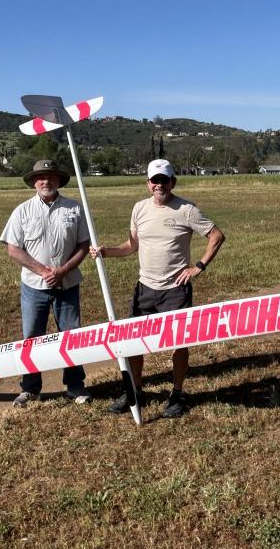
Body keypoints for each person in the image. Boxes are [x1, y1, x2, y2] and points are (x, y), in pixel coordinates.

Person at [90, 158, 225, 418]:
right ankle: (136, 390)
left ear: (172, 181)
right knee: (132, 343)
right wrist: (105, 251)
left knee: (179, 343)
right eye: (155, 180)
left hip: (175, 289)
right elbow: (131, 246)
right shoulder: (139, 209)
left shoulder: (187, 209)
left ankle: (177, 393)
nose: (159, 185)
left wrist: (198, 267)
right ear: (148, 184)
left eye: (164, 180)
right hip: (145, 288)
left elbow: (216, 236)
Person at [0, 158, 92, 406]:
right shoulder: (22, 211)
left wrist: (62, 270)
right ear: (33, 183)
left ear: (59, 180)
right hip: (34, 286)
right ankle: (30, 388)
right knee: (31, 337)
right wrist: (43, 271)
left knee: (72, 336)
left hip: (68, 284)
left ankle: (75, 386)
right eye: (41, 178)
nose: (46, 181)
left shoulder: (74, 209)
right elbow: (13, 249)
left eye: (51, 177)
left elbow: (84, 245)